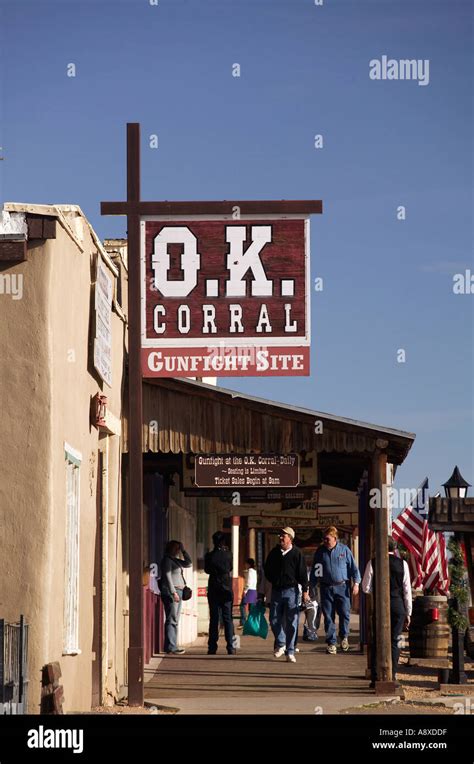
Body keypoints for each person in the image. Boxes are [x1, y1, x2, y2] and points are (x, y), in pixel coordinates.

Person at [362, 536, 412, 688]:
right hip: (398, 606)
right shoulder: (403, 564)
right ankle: (393, 674)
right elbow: (407, 591)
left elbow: (365, 587)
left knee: (377, 640)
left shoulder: (373, 563)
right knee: (395, 641)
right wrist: (408, 612)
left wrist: (376, 591)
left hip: (380, 606)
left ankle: (376, 677)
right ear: (394, 548)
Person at [310, 526, 361, 654]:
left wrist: (356, 584)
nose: (325, 541)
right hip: (326, 588)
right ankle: (331, 643)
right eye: (324, 539)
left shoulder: (344, 550)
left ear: (335, 538)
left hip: (342, 587)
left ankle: (344, 637)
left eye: (327, 539)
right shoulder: (320, 552)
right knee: (328, 616)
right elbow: (315, 570)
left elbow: (354, 569)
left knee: (344, 613)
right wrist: (311, 586)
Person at [263, 527, 309, 663]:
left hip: (291, 591)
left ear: (290, 538)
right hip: (276, 591)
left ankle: (290, 651)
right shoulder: (274, 553)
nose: (281, 538)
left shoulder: (297, 553)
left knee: (292, 622)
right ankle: (281, 643)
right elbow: (267, 570)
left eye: (284, 536)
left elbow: (302, 573)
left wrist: (305, 591)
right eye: (280, 535)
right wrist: (274, 580)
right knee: (274, 619)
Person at [205, 531, 235, 655]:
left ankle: (212, 647)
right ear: (223, 541)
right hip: (226, 587)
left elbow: (207, 570)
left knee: (214, 618)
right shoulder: (228, 554)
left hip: (213, 587)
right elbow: (230, 568)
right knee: (228, 618)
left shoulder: (209, 556)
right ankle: (231, 646)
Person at [159, 540, 192, 655]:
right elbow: (167, 576)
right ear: (171, 548)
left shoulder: (175, 560)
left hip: (179, 591)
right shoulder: (167, 560)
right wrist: (173, 592)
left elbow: (189, 564)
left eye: (179, 549)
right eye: (176, 548)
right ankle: (171, 646)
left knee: (174, 619)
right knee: (172, 619)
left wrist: (184, 550)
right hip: (172, 592)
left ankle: (171, 645)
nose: (178, 550)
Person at [239, 558, 258, 627]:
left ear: (249, 564)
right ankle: (252, 623)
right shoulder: (254, 571)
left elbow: (249, 582)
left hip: (249, 590)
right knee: (252, 608)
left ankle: (243, 622)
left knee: (242, 606)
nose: (245, 565)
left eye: (246, 564)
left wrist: (245, 591)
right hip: (254, 590)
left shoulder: (249, 571)